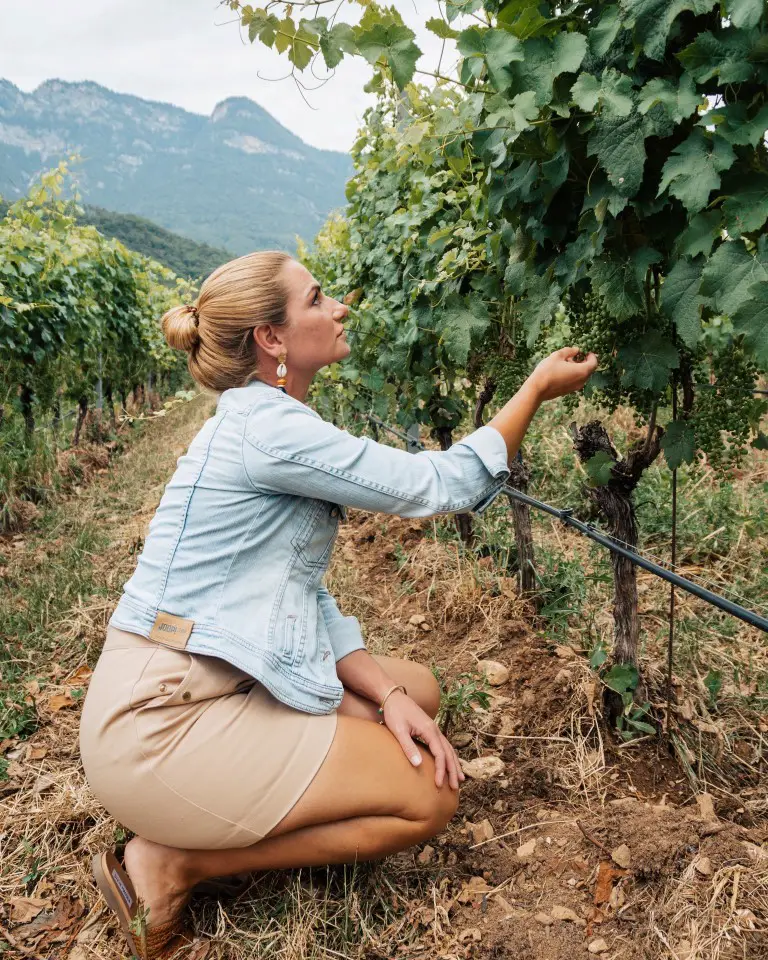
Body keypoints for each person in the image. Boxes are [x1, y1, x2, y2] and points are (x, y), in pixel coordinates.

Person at [79, 250, 598, 959]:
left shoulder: (265, 418)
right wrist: (534, 388)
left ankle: (226, 806)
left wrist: (386, 697)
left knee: (417, 689)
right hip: (158, 727)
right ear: (272, 338)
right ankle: (173, 862)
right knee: (429, 797)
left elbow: (300, 591)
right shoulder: (270, 431)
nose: (338, 307)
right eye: (317, 298)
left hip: (204, 682)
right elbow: (435, 486)